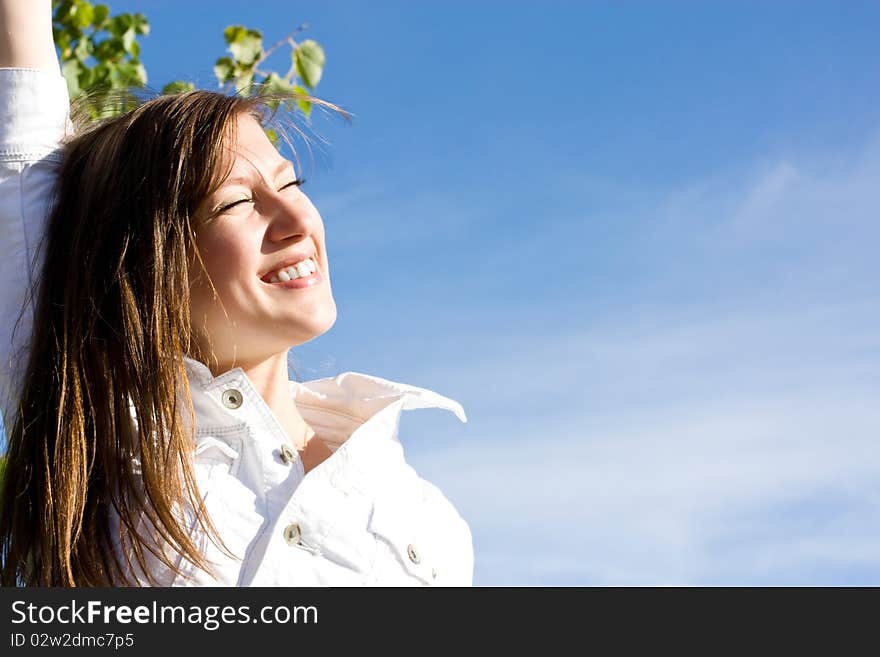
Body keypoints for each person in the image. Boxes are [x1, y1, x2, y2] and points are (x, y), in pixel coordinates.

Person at [0, 0, 473, 586]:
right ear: (146, 270)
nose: (294, 217)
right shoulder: (107, 447)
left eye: (289, 182)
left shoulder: (421, 510)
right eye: (235, 202)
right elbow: (19, 153)